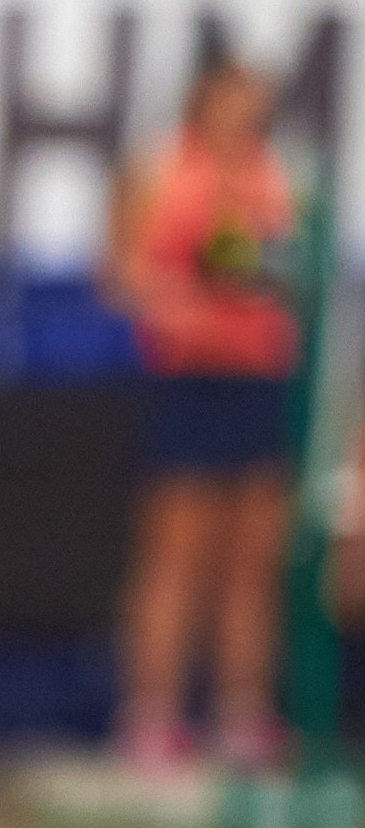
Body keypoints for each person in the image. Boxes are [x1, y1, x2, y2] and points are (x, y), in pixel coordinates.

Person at [108, 51, 298, 774]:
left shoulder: (274, 176)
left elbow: (279, 275)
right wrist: (175, 307)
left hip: (257, 380)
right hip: (188, 383)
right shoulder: (160, 172)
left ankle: (242, 714)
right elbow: (122, 273)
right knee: (176, 554)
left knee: (251, 557)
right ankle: (152, 718)